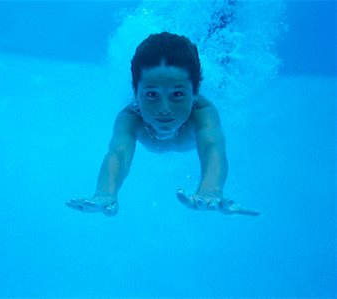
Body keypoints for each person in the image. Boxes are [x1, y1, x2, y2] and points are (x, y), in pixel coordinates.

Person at [66, 32, 259, 217]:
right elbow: (119, 154)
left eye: (177, 94)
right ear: (135, 91)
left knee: (225, 52)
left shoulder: (202, 114)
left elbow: (212, 148)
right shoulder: (130, 117)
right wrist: (106, 192)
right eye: (151, 95)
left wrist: (211, 189)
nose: (165, 109)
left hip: (218, 79)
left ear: (195, 91)